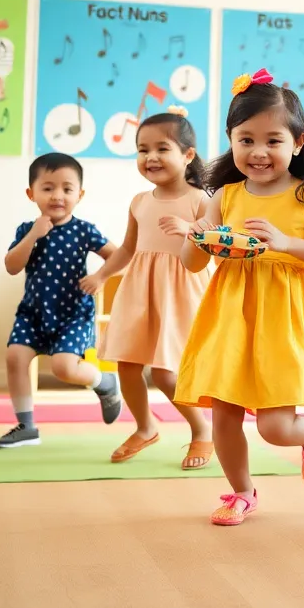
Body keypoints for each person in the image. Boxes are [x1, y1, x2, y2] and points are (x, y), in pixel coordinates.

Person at [174, 68, 304, 526]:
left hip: (285, 315)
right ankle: (241, 493)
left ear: (298, 142)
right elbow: (193, 263)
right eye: (245, 139)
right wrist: (195, 237)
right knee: (224, 412)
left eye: (273, 140)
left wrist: (286, 243)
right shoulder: (224, 196)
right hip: (231, 312)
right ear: (231, 140)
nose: (258, 151)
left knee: (275, 427)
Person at [81, 108, 214, 469]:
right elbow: (127, 249)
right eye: (142, 150)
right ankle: (145, 427)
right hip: (140, 288)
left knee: (165, 372)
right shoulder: (140, 201)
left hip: (181, 289)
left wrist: (192, 230)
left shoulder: (201, 200)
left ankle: (202, 430)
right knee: (126, 363)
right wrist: (102, 276)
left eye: (161, 148)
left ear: (188, 154)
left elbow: (218, 243)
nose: (150, 157)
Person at [0, 153, 119, 449]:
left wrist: (100, 277)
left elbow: (117, 257)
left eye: (67, 188)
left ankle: (105, 383)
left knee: (64, 368)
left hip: (73, 313)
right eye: (48, 188)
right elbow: (12, 266)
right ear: (31, 193)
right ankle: (26, 427)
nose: (57, 196)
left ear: (80, 194)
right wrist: (34, 236)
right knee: (15, 358)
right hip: (34, 313)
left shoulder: (83, 230)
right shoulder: (27, 229)